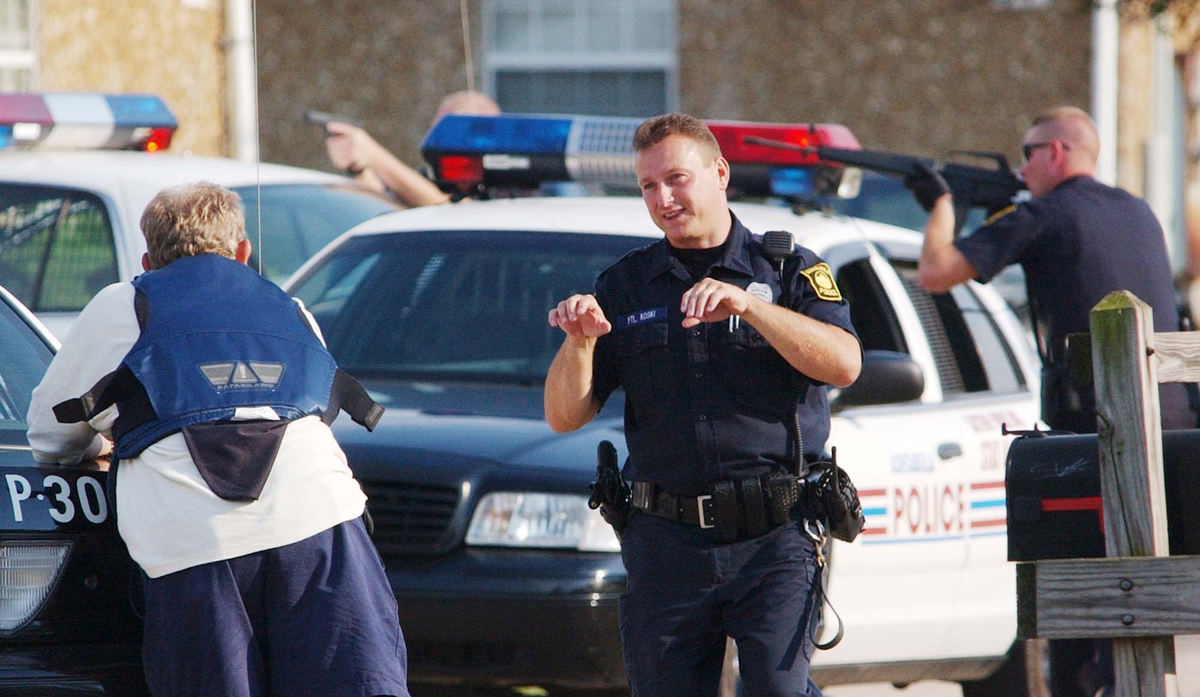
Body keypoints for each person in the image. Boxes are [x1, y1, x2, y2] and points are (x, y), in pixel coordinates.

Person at [26, 182, 410, 697]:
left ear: (146, 258)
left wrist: (101, 448)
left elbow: (50, 437)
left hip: (195, 545)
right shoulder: (290, 307)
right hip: (323, 527)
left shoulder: (125, 303)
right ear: (243, 254)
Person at [543, 113, 862, 697]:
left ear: (719, 173)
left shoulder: (791, 270)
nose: (663, 198)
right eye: (647, 186)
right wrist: (579, 341)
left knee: (776, 690)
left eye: (676, 179)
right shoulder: (625, 285)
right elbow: (565, 415)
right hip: (666, 541)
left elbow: (844, 363)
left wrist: (750, 307)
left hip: (776, 535)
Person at [909, 105, 1193, 697]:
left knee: (1075, 593)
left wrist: (941, 205)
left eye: (1027, 152)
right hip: (1172, 430)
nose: (1021, 166)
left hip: (1093, 432)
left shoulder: (1043, 215)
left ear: (1056, 153)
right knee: (1137, 583)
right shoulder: (1138, 211)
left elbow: (936, 272)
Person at [323, 90, 500, 207]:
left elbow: (454, 211)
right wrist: (358, 167)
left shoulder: (507, 188)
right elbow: (387, 207)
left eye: (449, 132)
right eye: (436, 132)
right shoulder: (431, 180)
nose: (437, 142)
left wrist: (373, 154)